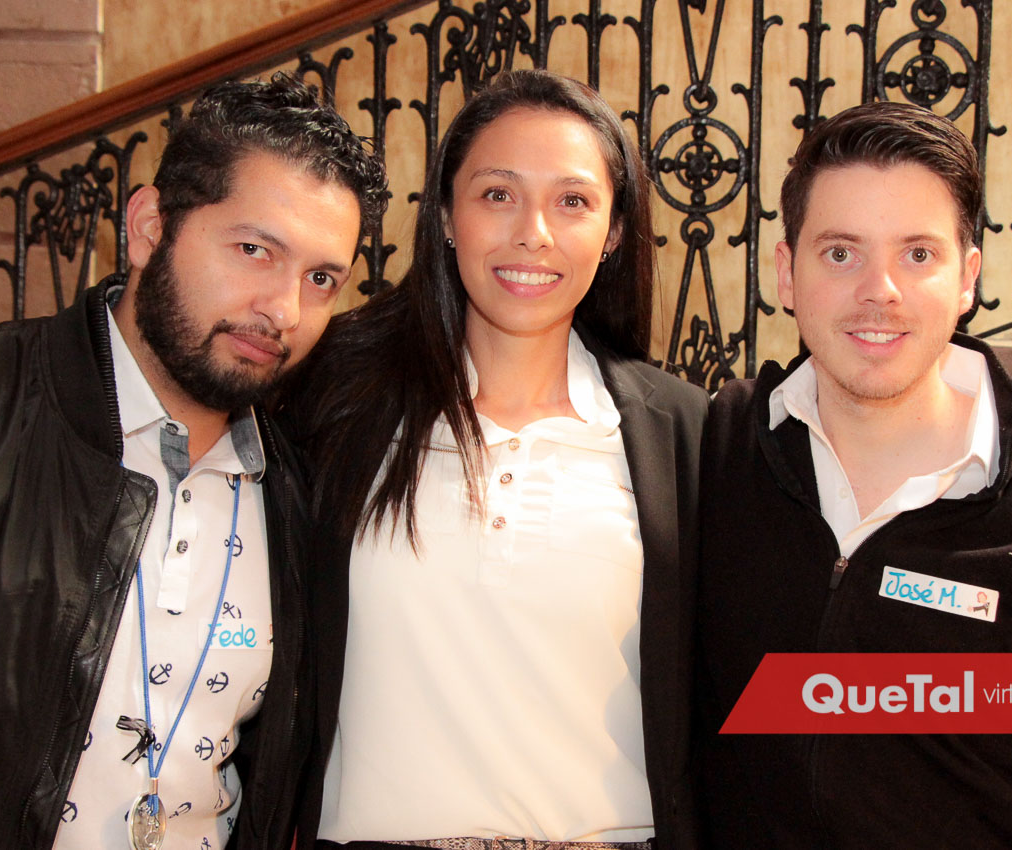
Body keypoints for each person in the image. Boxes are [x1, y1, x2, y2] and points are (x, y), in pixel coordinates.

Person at [0, 72, 386, 849]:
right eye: (254, 250)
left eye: (320, 278)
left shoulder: (295, 494)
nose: (284, 310)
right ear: (149, 226)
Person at [694, 100, 1012, 847]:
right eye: (840, 253)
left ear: (966, 278)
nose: (878, 289)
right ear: (786, 273)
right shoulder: (713, 453)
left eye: (917, 255)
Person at [283, 69, 708, 850]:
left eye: (572, 201)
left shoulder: (680, 432)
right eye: (497, 194)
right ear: (446, 215)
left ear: (614, 231)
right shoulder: (334, 395)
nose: (532, 233)